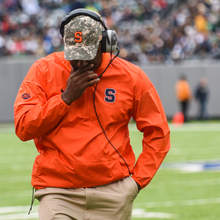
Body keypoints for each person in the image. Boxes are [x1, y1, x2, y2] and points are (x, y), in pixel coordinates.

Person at [14, 8, 170, 220]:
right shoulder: (44, 70)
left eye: (86, 55)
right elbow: (23, 127)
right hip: (58, 192)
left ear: (106, 44)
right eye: (74, 56)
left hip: (113, 193)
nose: (80, 63)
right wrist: (64, 99)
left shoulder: (130, 76)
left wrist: (136, 182)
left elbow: (158, 131)